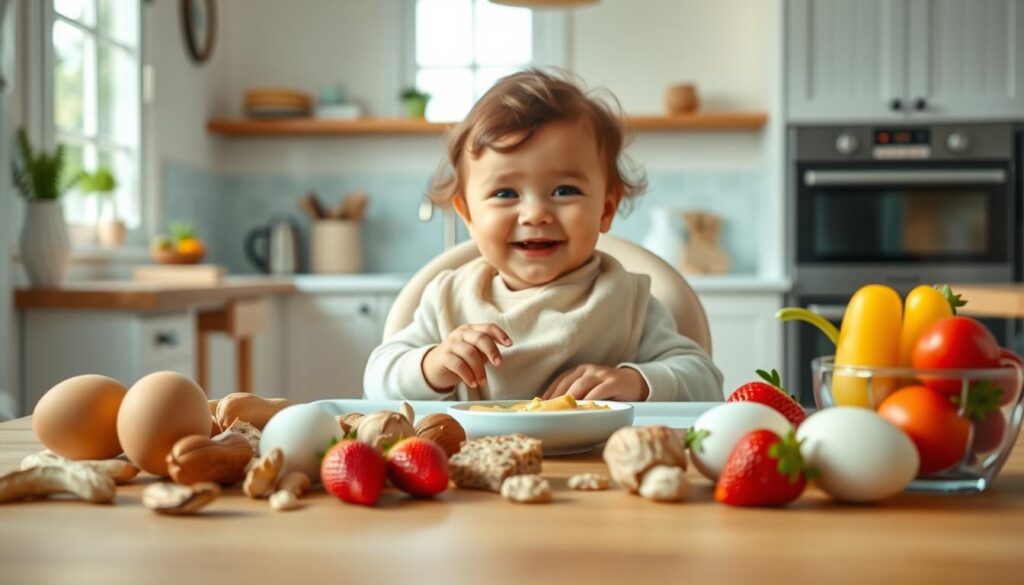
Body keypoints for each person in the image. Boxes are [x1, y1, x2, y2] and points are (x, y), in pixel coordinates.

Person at [363, 69, 723, 402]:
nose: (535, 214)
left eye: (565, 190)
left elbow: (704, 381)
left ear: (606, 209)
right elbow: (377, 380)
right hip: (476, 469)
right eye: (505, 193)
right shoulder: (449, 299)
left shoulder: (628, 301)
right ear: (468, 215)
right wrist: (432, 366)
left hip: (604, 469)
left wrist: (636, 382)